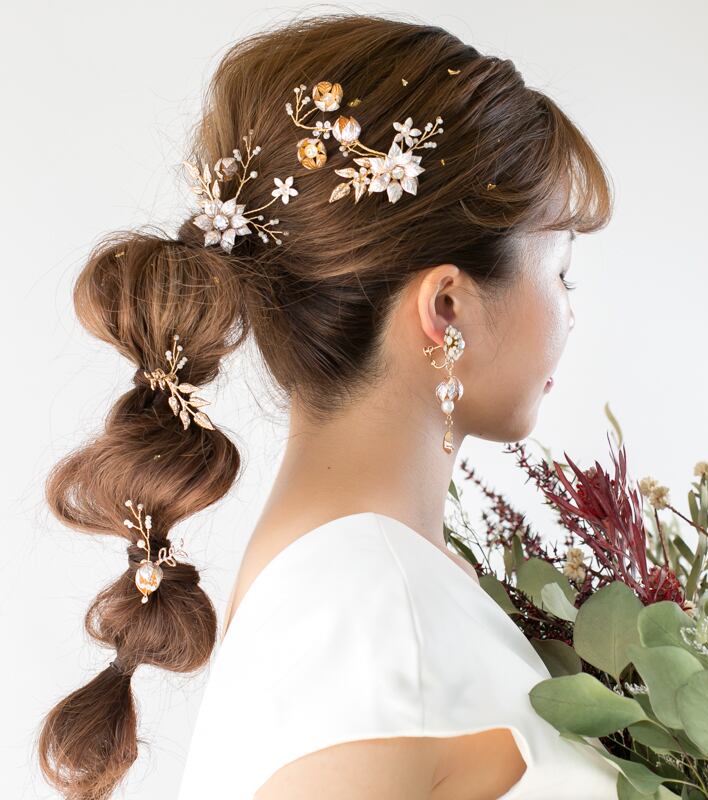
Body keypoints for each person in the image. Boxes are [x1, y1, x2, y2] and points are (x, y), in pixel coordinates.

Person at [37, 12, 618, 800]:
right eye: (561, 273)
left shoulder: (367, 580)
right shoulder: (372, 609)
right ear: (446, 308)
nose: (571, 314)